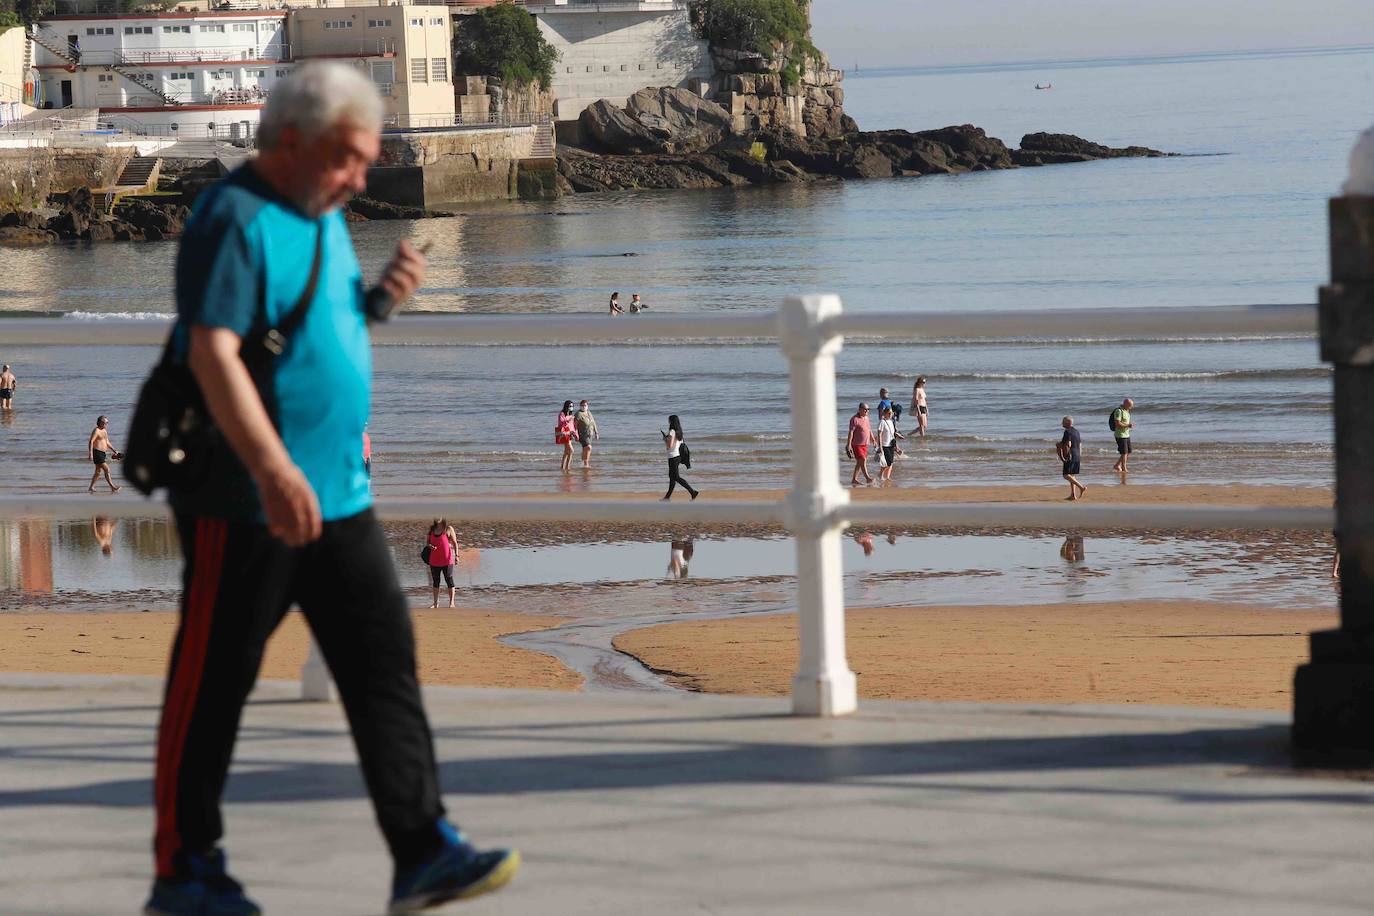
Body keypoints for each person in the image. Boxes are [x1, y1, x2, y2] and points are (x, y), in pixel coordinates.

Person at [144, 63, 516, 916]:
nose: (361, 175)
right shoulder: (230, 218)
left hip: (341, 495)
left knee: (384, 668)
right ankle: (183, 870)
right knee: (212, 684)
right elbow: (214, 354)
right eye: (349, 157)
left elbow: (313, 318)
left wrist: (377, 301)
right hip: (247, 500)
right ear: (291, 141)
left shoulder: (323, 212)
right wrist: (273, 471)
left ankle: (422, 848)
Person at [661, 414, 698, 500]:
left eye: (669, 420)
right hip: (677, 457)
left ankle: (693, 492)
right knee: (672, 477)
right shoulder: (679, 431)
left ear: (671, 422)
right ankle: (667, 497)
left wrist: (665, 439)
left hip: (673, 457)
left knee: (676, 477)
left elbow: (669, 445)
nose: (668, 422)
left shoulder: (671, 432)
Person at [426, 518, 459, 608]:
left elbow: (455, 543)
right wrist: (430, 546)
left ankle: (451, 603)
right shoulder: (432, 529)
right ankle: (436, 603)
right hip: (434, 560)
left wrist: (457, 556)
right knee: (436, 581)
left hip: (447, 560)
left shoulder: (448, 529)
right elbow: (427, 543)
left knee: (449, 580)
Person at [87, 415, 121, 494]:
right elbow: (91, 441)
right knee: (107, 469)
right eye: (106, 423)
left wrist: (114, 450)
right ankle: (113, 487)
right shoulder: (96, 430)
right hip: (97, 453)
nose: (107, 424)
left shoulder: (104, 431)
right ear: (100, 423)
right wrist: (90, 453)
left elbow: (107, 442)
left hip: (103, 453)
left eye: (107, 423)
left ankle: (91, 487)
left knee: (98, 472)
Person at [845, 402, 875, 486]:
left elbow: (869, 429)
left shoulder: (866, 418)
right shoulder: (854, 419)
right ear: (860, 409)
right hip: (856, 444)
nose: (867, 411)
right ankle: (868, 478)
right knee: (862, 460)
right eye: (865, 409)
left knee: (860, 462)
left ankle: (854, 479)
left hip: (865, 444)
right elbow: (851, 432)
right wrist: (848, 445)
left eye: (868, 409)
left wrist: (873, 439)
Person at [1058, 416, 1086, 501]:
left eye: (1063, 421)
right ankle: (1073, 495)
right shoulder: (1076, 431)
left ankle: (1081, 487)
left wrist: (1058, 445)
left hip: (1070, 455)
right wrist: (1079, 455)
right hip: (1077, 455)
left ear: (1067, 423)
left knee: (1066, 475)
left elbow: (1068, 444)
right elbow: (1080, 444)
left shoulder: (1067, 432)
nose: (1062, 423)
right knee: (1072, 476)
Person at [877, 406, 903, 482]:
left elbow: (892, 434)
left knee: (891, 462)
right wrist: (880, 446)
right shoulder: (882, 422)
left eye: (891, 413)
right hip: (885, 445)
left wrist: (896, 446)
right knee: (887, 462)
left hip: (891, 444)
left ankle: (887, 477)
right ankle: (880, 474)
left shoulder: (891, 422)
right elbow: (879, 434)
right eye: (888, 413)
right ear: (884, 413)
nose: (890, 414)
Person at [1111, 397, 1135, 474]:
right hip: (1120, 435)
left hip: (1126, 434)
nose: (1131, 407)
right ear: (1125, 404)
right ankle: (1124, 467)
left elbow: (1124, 423)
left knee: (1128, 452)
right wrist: (1128, 425)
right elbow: (1117, 424)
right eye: (1130, 405)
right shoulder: (1119, 411)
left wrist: (1128, 426)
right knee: (1124, 452)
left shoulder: (1126, 411)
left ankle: (1117, 465)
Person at [574, 399, 599, 469]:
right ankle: (586, 463)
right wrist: (575, 434)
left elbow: (593, 423)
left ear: (587, 406)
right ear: (580, 406)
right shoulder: (578, 414)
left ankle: (583, 461)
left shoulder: (589, 412)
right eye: (582, 405)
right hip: (582, 434)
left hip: (590, 434)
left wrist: (596, 432)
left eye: (585, 405)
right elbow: (575, 425)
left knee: (585, 448)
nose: (584, 407)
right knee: (589, 447)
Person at [555, 400, 578, 473]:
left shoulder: (571, 415)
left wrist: (575, 434)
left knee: (566, 452)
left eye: (572, 406)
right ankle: (568, 467)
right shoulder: (562, 414)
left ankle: (563, 466)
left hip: (570, 434)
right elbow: (561, 423)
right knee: (571, 450)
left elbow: (572, 427)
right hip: (564, 434)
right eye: (570, 406)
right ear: (566, 406)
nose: (571, 407)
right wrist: (568, 420)